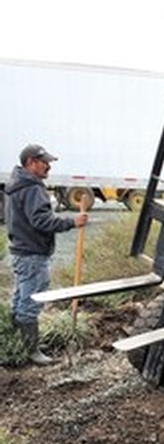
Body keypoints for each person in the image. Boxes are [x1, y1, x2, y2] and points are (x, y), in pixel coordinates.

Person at [5, 144, 88, 365]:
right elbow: (41, 221)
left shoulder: (16, 184)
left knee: (20, 298)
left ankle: (21, 343)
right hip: (32, 254)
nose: (48, 167)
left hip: (21, 251)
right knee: (31, 300)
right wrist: (72, 222)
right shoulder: (31, 187)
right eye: (45, 162)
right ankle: (30, 351)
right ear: (31, 162)